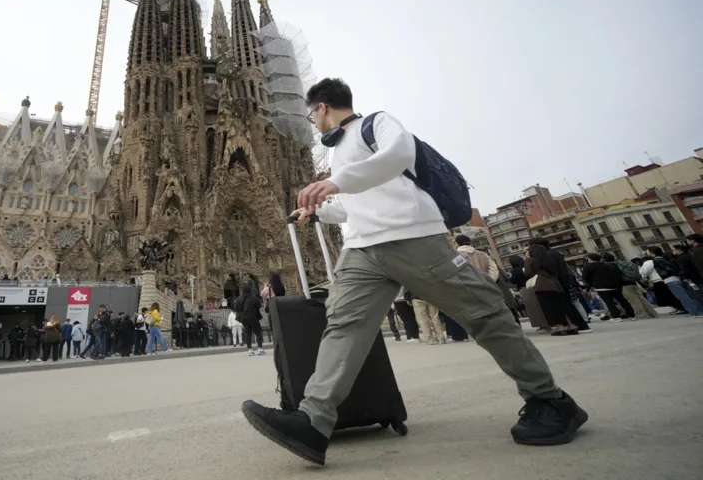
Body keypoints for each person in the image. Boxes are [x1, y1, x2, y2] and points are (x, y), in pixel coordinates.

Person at [240, 79, 586, 466]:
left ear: (321, 107)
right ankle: (313, 421)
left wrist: (334, 182)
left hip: (409, 237)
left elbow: (398, 156)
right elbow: (357, 204)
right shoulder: (340, 153)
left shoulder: (376, 123)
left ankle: (550, 399)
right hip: (362, 249)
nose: (312, 123)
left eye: (310, 114)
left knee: (483, 313)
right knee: (344, 326)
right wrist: (320, 210)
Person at [582, 254, 635, 322]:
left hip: (601, 287)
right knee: (622, 300)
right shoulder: (608, 265)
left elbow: (585, 277)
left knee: (609, 302)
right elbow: (618, 274)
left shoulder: (588, 267)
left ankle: (616, 316)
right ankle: (632, 315)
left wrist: (588, 287)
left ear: (590, 259)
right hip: (615, 286)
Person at [236, 278, 267, 356]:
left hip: (243, 318)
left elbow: (237, 308)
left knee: (248, 333)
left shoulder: (239, 298)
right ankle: (260, 349)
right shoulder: (253, 297)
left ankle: (250, 350)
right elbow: (259, 305)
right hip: (253, 317)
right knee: (258, 332)